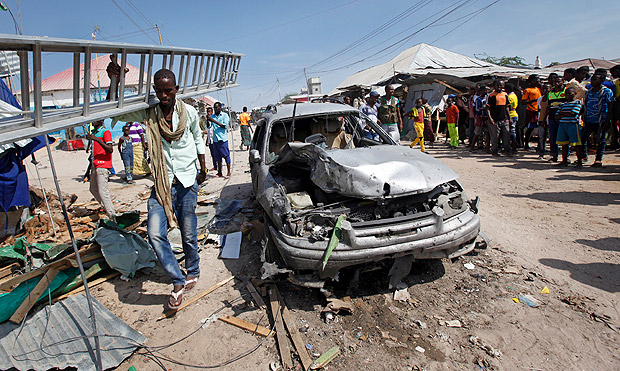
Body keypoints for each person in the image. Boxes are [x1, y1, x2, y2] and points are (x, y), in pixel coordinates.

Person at [107, 60, 207, 310]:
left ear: (176, 89)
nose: (163, 96)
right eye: (159, 91)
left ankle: (192, 268)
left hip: (186, 180)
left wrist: (203, 168)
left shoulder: (190, 113)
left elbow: (197, 138)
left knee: (188, 231)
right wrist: (114, 81)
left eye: (168, 91)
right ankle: (177, 279)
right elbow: (115, 112)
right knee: (154, 233)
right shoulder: (148, 113)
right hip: (161, 183)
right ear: (154, 89)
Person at [86, 119, 116, 220]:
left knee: (103, 191)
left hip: (103, 165)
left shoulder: (105, 132)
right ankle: (106, 208)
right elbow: (92, 154)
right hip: (95, 165)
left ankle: (112, 214)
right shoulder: (94, 133)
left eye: (95, 120)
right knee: (93, 189)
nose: (93, 122)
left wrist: (97, 139)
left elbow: (110, 149)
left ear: (101, 120)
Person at [582, 72, 614, 167]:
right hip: (589, 119)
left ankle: (598, 160)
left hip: (601, 120)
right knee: (583, 139)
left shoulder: (607, 92)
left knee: (600, 140)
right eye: (592, 79)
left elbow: (610, 107)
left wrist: (608, 121)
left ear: (602, 80)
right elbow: (585, 105)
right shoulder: (589, 92)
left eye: (595, 79)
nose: (592, 81)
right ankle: (584, 157)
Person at [555, 87, 584, 168]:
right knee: (564, 144)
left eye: (570, 93)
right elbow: (556, 116)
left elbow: (573, 113)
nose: (568, 95)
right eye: (566, 94)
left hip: (573, 124)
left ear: (575, 94)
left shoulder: (577, 103)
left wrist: (562, 114)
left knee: (577, 144)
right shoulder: (562, 104)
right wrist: (566, 113)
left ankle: (579, 162)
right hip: (562, 125)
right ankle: (564, 161)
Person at [543, 73, 566, 162]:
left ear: (562, 82)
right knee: (553, 137)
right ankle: (554, 156)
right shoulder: (550, 93)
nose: (556, 84)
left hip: (563, 118)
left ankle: (565, 158)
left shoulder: (566, 91)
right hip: (552, 118)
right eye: (554, 82)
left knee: (564, 138)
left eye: (558, 82)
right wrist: (545, 118)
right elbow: (548, 106)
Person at [486, 80, 511, 156]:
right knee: (495, 137)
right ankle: (494, 151)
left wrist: (509, 118)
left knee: (506, 135)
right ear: (494, 86)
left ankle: (507, 150)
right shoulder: (491, 96)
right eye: (499, 85)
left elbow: (507, 107)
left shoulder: (505, 95)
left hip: (504, 119)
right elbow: (487, 108)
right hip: (494, 119)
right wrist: (490, 118)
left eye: (502, 85)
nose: (500, 87)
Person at [209, 102, 231, 177]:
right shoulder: (212, 116)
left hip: (222, 139)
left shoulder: (225, 115)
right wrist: (208, 119)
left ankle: (228, 172)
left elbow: (224, 126)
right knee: (217, 157)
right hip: (215, 140)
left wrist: (213, 121)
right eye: (214, 108)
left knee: (226, 156)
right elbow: (209, 127)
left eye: (217, 108)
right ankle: (219, 172)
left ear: (220, 108)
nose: (216, 109)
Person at [522, 75, 542, 151]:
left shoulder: (538, 89)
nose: (538, 82)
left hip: (538, 111)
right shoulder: (527, 90)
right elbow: (523, 102)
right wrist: (534, 101)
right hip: (531, 111)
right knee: (530, 128)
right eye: (537, 80)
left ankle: (539, 146)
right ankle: (526, 144)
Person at [470, 84, 488, 152]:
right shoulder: (478, 99)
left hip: (486, 117)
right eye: (484, 90)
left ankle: (487, 147)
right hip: (479, 117)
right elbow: (477, 108)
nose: (486, 91)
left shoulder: (486, 98)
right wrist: (484, 108)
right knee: (477, 133)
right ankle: (472, 146)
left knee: (487, 132)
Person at [505, 83, 519, 153]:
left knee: (511, 132)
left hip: (511, 115)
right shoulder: (514, 95)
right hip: (514, 114)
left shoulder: (510, 97)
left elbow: (509, 107)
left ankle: (513, 147)